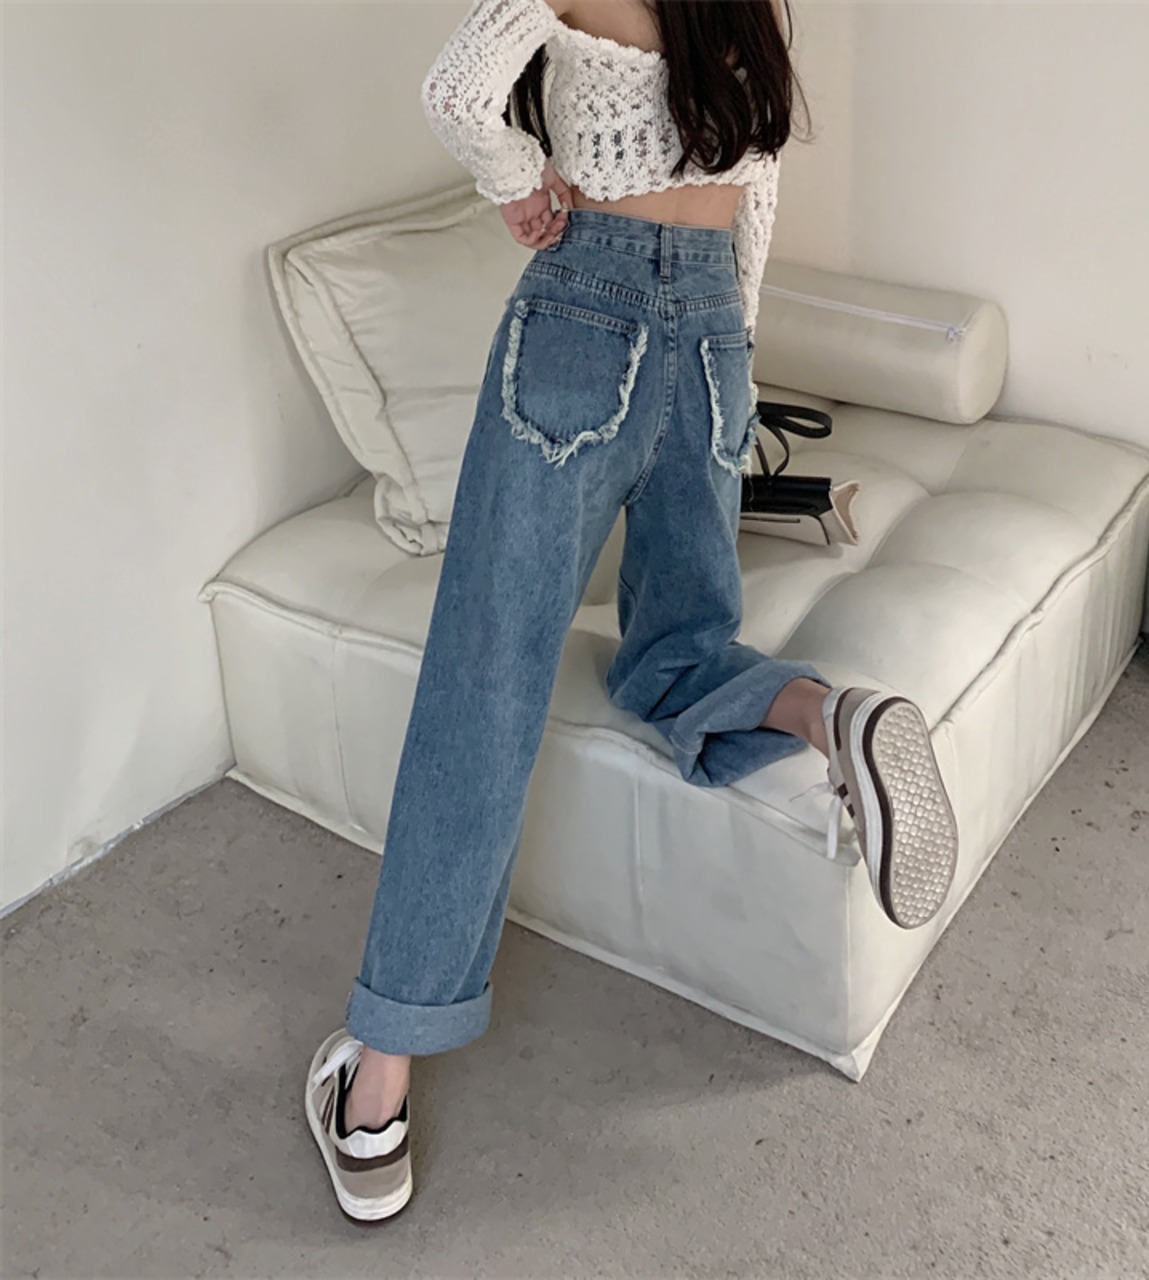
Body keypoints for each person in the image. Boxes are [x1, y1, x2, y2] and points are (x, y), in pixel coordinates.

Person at [305, 0, 960, 1223]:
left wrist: (519, 185)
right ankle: (824, 715)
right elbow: (756, 190)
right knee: (679, 645)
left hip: (582, 312)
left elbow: (457, 89)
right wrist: (726, 372)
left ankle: (377, 1082)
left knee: (486, 676)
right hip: (712, 335)